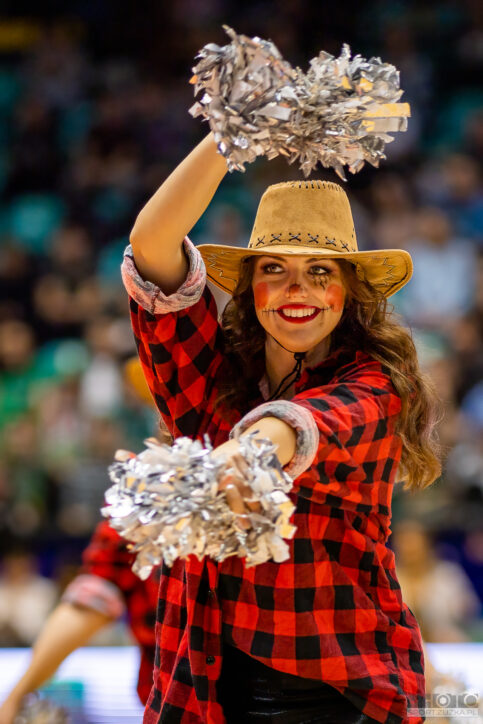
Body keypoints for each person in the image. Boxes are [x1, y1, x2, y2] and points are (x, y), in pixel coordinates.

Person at [123, 133, 441, 723]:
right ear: (250, 287)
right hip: (202, 690)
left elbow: (304, 423)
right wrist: (230, 131)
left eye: (321, 272)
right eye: (275, 269)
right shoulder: (210, 380)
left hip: (342, 696)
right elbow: (151, 244)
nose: (298, 290)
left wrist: (241, 455)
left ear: (349, 293)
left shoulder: (377, 385)